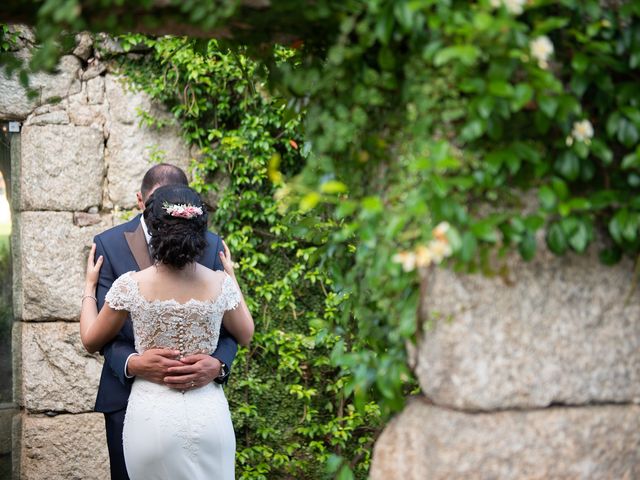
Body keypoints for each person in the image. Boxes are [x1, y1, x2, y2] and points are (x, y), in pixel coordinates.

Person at [81, 184, 254, 479]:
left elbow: (91, 340)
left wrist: (88, 288)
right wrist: (232, 278)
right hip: (209, 419)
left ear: (154, 229)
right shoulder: (220, 283)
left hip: (152, 420)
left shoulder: (130, 285)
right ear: (200, 231)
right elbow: (246, 334)